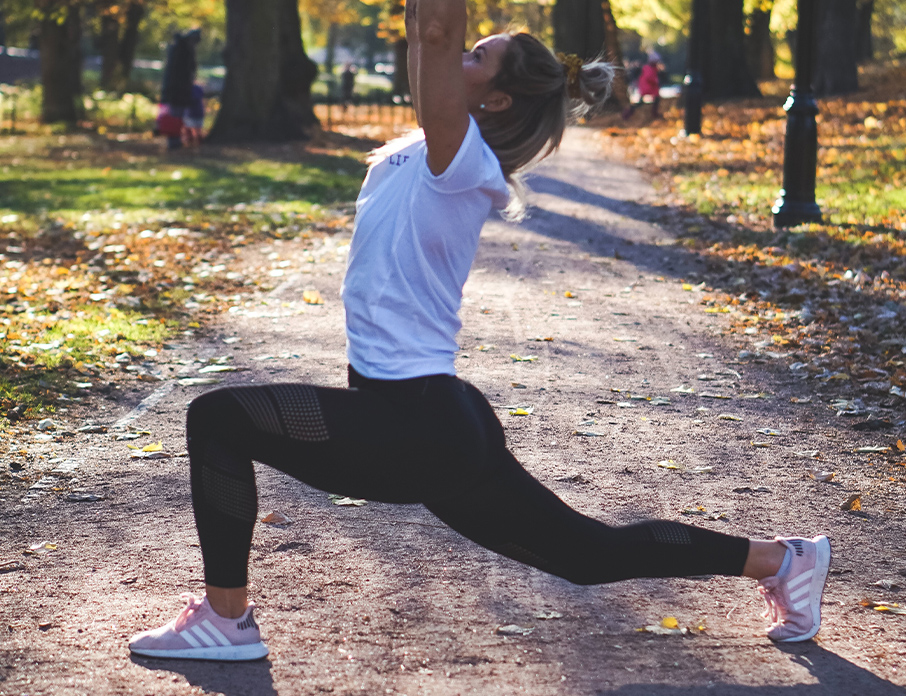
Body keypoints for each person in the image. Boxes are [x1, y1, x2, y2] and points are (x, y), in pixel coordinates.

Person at [128, 0, 830, 662]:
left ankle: (226, 621)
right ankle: (782, 559)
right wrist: (428, 39)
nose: (453, 56)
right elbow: (420, 34)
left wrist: (441, 39)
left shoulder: (459, 158)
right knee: (586, 555)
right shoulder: (429, 141)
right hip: (429, 419)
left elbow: (434, 33)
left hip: (412, 420)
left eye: (475, 56)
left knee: (217, 419)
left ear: (494, 99)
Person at [160, 29, 200, 150]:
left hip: (179, 90)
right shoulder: (182, 51)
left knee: (178, 114)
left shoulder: (181, 50)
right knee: (175, 115)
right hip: (177, 90)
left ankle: (175, 139)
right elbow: (180, 73)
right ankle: (174, 140)